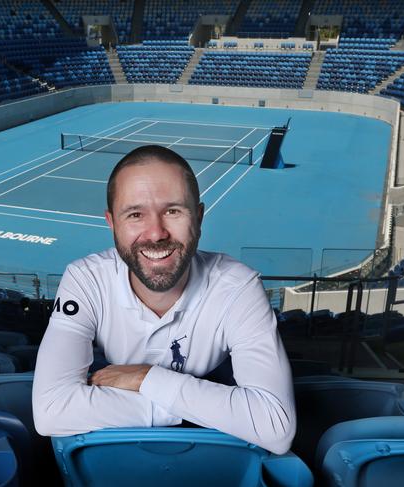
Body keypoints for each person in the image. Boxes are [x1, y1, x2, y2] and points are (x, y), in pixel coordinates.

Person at [32, 145, 295, 454]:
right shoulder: (85, 280)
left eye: (173, 211)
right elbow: (49, 411)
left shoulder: (239, 287)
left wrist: (148, 379)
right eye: (135, 214)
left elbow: (275, 426)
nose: (156, 233)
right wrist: (195, 411)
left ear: (198, 217)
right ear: (111, 223)